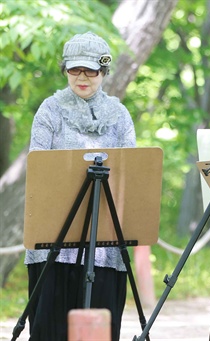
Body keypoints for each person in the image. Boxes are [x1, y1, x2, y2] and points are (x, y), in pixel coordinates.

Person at [25, 31, 136, 341]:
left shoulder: (120, 115)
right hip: (54, 238)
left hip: (105, 242)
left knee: (99, 329)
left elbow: (130, 173)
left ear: (104, 72)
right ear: (66, 70)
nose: (83, 77)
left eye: (91, 70)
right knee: (50, 329)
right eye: (75, 69)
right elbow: (38, 167)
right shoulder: (50, 109)